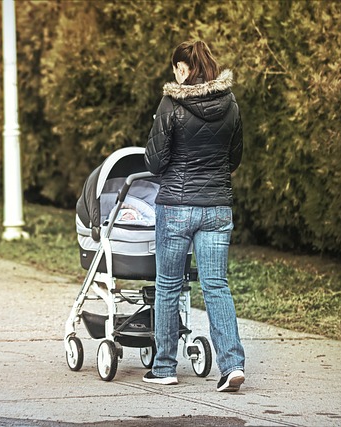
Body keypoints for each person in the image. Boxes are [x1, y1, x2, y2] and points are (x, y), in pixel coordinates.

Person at [143, 40, 245, 392]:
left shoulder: (171, 103)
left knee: (169, 286)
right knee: (216, 285)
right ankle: (232, 365)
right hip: (217, 208)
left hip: (176, 208)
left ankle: (165, 367)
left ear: (184, 69)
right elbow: (234, 158)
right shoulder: (230, 104)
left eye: (176, 68)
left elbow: (154, 161)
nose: (174, 74)